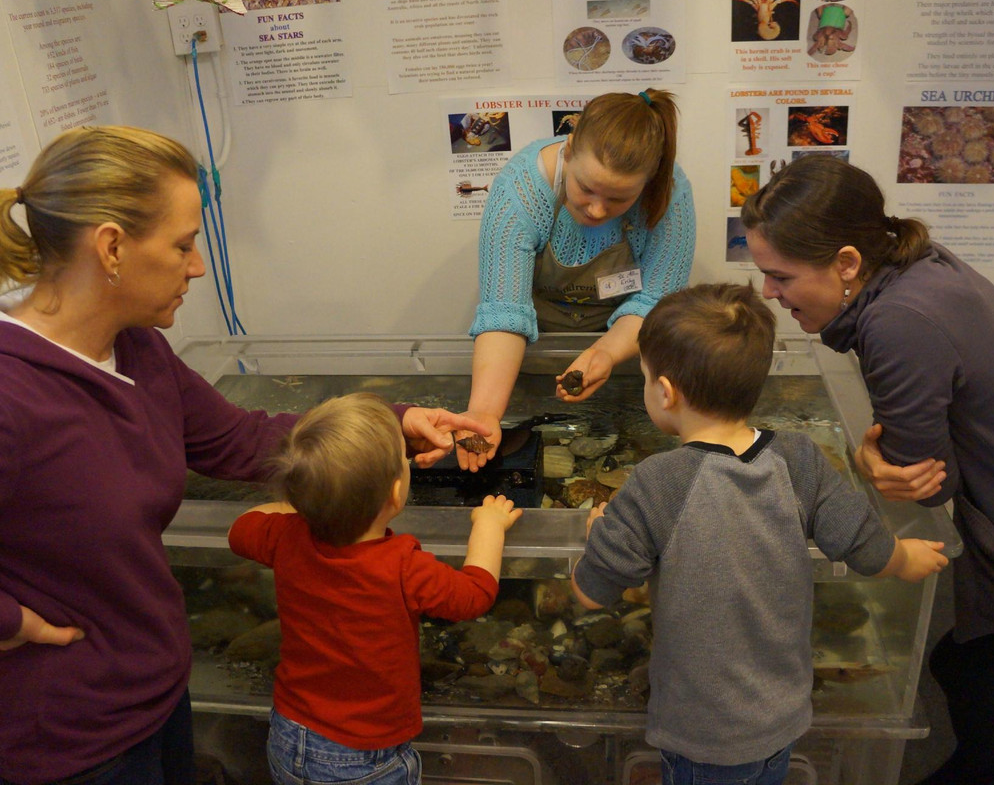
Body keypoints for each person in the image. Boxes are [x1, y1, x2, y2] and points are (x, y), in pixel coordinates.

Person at [0, 125, 489, 785]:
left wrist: (391, 425)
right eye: (182, 244)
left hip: (156, 696)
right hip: (67, 739)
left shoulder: (137, 347)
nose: (197, 265)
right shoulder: (13, 389)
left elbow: (242, 440)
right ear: (112, 247)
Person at [741, 153, 994, 785]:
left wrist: (873, 465)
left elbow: (929, 481)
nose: (769, 292)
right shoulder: (917, 265)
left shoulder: (897, 320)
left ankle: (979, 769)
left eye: (780, 276)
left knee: (965, 666)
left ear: (847, 263)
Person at [570, 282, 947, 785]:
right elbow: (860, 540)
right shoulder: (798, 458)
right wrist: (904, 558)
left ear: (665, 392)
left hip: (702, 732)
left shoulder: (658, 481)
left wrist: (600, 531)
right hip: (783, 716)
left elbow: (593, 591)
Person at [228, 392, 522, 785]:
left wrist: (310, 506)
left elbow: (241, 528)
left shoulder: (287, 537)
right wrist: (489, 527)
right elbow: (473, 595)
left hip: (288, 734)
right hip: (363, 757)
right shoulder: (400, 564)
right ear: (396, 494)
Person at [460, 88, 696, 471]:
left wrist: (606, 352)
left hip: (626, 343)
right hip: (531, 348)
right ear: (569, 150)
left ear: (647, 182)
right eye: (586, 188)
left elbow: (657, 300)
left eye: (619, 199)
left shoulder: (670, 192)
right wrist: (484, 413)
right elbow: (504, 311)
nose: (597, 209)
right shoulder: (521, 187)